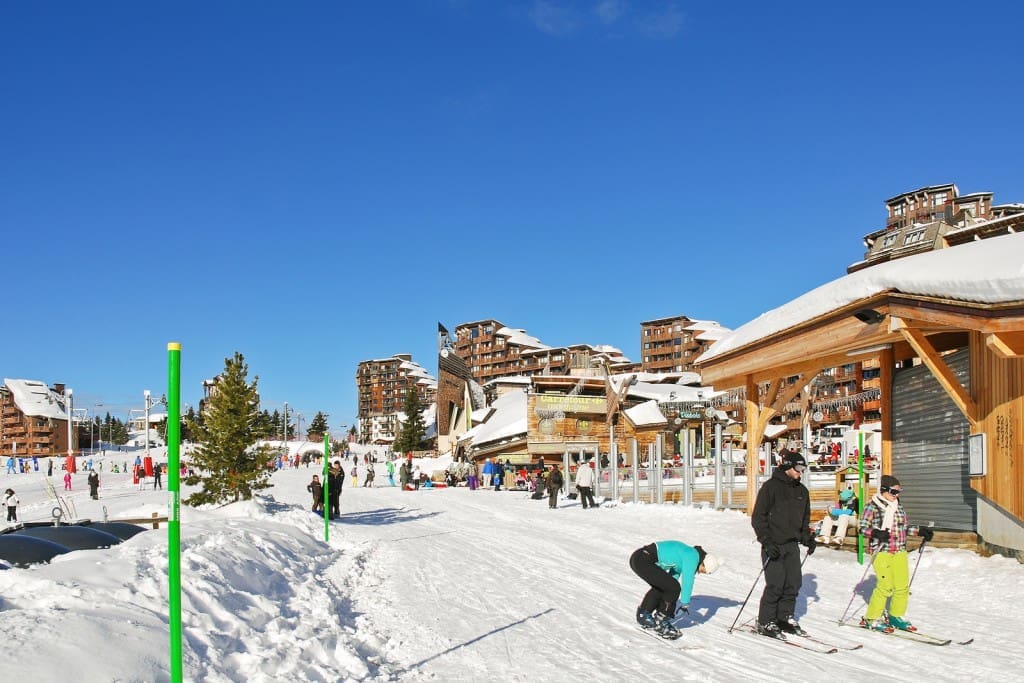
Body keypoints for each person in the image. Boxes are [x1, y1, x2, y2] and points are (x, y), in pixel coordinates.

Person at [751, 450, 815, 638]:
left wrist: (808, 538)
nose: (800, 473)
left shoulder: (802, 491)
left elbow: (804, 519)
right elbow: (758, 518)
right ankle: (766, 621)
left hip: (791, 545)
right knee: (776, 584)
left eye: (803, 469)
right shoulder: (770, 488)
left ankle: (784, 617)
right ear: (788, 466)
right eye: (798, 468)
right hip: (774, 544)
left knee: (793, 583)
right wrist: (766, 541)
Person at [859, 475, 933, 633]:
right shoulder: (872, 506)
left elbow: (902, 529)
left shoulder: (898, 506)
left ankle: (896, 616)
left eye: (899, 492)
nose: (896, 495)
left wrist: (919, 530)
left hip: (899, 550)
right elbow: (862, 528)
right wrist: (876, 533)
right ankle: (871, 618)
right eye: (894, 492)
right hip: (882, 551)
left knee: (902, 586)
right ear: (884, 490)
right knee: (885, 586)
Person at [629, 541, 721, 639]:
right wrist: (685, 603)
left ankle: (644, 615)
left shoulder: (689, 554)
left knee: (665, 586)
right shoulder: (692, 556)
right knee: (674, 588)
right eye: (703, 571)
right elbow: (688, 580)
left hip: (639, 558)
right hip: (643, 559)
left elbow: (672, 577)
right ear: (704, 563)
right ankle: (661, 623)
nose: (699, 572)